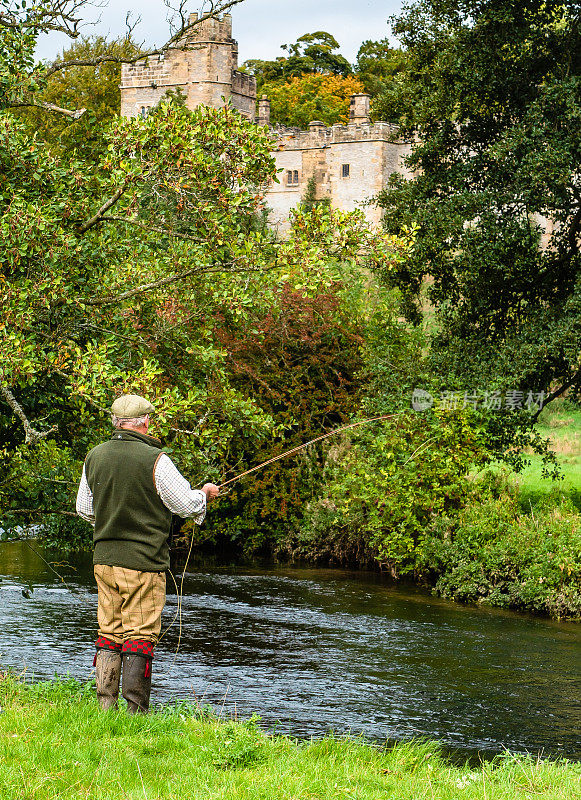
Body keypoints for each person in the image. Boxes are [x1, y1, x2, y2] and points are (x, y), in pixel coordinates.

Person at [75, 394, 219, 713]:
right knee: (139, 635)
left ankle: (105, 709)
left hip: (104, 560)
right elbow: (185, 504)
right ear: (146, 422)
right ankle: (136, 712)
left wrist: (113, 517)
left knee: (109, 631)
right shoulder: (156, 459)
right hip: (143, 564)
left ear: (114, 422)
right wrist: (204, 495)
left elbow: (84, 509)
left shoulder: (94, 456)